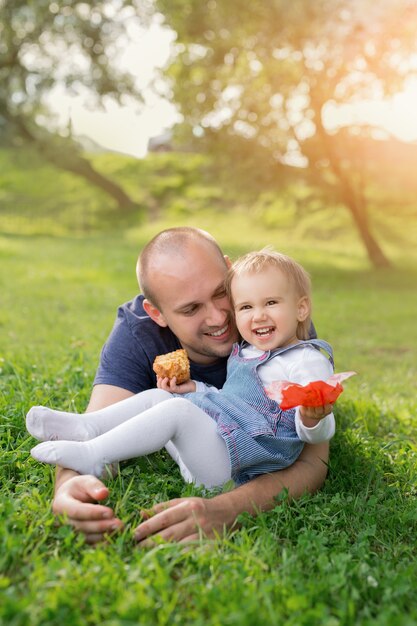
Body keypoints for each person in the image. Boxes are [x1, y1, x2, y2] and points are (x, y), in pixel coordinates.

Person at [39, 228, 331, 545]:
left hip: (241, 458)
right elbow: (109, 412)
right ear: (156, 313)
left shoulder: (277, 321)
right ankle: (86, 436)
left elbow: (313, 459)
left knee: (175, 409)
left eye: (222, 292)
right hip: (213, 438)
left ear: (230, 270)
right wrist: (68, 486)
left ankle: (92, 451)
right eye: (191, 309)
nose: (220, 317)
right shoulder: (138, 334)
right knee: (159, 398)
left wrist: (226, 509)